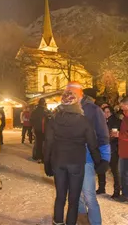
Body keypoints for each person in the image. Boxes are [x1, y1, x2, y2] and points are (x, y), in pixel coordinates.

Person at [44, 90, 105, 225]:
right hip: (76, 163)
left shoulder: (53, 120)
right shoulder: (84, 121)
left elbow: (48, 142)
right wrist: (98, 162)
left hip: (58, 162)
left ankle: (57, 222)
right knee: (74, 198)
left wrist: (47, 162)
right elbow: (92, 144)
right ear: (77, 103)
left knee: (60, 196)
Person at [66, 84, 111, 225]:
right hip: (68, 158)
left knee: (89, 195)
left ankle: (95, 222)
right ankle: (82, 219)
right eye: (68, 92)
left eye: (73, 92)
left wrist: (105, 158)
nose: (70, 94)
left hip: (87, 159)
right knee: (75, 193)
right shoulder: (64, 109)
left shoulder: (93, 110)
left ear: (80, 93)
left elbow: (103, 135)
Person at [96, 105, 121, 199]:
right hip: (102, 148)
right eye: (104, 112)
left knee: (115, 170)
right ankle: (101, 187)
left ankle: (117, 191)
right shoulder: (100, 122)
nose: (106, 114)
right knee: (101, 168)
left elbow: (116, 135)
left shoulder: (116, 121)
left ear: (111, 112)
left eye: (108, 112)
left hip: (113, 148)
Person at [31, 98, 48, 164]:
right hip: (45, 129)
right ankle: (43, 157)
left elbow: (31, 120)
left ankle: (38, 157)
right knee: (44, 144)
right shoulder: (46, 111)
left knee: (38, 143)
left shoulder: (35, 111)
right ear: (44, 103)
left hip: (37, 129)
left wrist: (33, 127)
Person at [118, 97, 128, 202]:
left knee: (124, 173)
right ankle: (125, 194)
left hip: (126, 151)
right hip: (123, 150)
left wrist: (119, 135)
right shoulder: (124, 117)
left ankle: (126, 195)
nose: (120, 107)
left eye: (122, 105)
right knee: (123, 173)